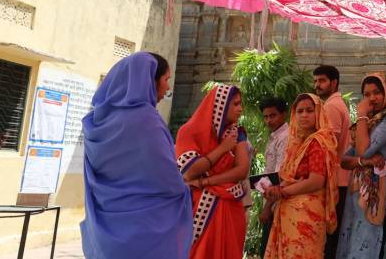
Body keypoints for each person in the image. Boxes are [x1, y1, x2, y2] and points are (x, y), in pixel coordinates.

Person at [81, 52, 192, 259]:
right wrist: (184, 189)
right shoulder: (146, 121)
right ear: (150, 80)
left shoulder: (96, 121)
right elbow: (167, 177)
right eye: (166, 79)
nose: (167, 88)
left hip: (104, 233)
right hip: (146, 233)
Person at [175, 84, 251, 259]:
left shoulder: (236, 133)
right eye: (235, 104)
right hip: (198, 208)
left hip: (231, 206)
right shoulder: (189, 132)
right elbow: (190, 171)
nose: (240, 109)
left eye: (241, 104)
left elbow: (241, 170)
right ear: (220, 105)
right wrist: (223, 148)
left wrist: (205, 182)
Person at [337, 73, 386, 259]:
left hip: (381, 193)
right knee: (355, 242)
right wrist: (363, 162)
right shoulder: (369, 122)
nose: (372, 98)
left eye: (376, 93)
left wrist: (361, 116)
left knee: (378, 245)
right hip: (359, 196)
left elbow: (364, 150)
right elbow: (345, 160)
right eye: (366, 95)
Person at [264, 93, 339, 259]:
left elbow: (316, 181)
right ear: (294, 114)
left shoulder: (318, 141)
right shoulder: (298, 141)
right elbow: (291, 178)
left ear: (318, 112)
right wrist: (275, 190)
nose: (304, 115)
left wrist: (282, 192)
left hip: (307, 214)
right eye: (300, 111)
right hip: (291, 212)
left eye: (309, 110)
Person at [314, 65, 351, 259]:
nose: (317, 85)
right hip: (340, 180)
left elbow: (330, 144)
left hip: (335, 181)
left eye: (321, 81)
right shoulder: (336, 103)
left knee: (330, 238)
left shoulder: (331, 106)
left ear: (333, 82)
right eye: (316, 81)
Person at [258, 98, 290, 257]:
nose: (268, 120)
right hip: (273, 201)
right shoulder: (275, 136)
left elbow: (279, 177)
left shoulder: (285, 137)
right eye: (265, 116)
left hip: (277, 203)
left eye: (273, 115)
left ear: (284, 114)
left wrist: (266, 208)